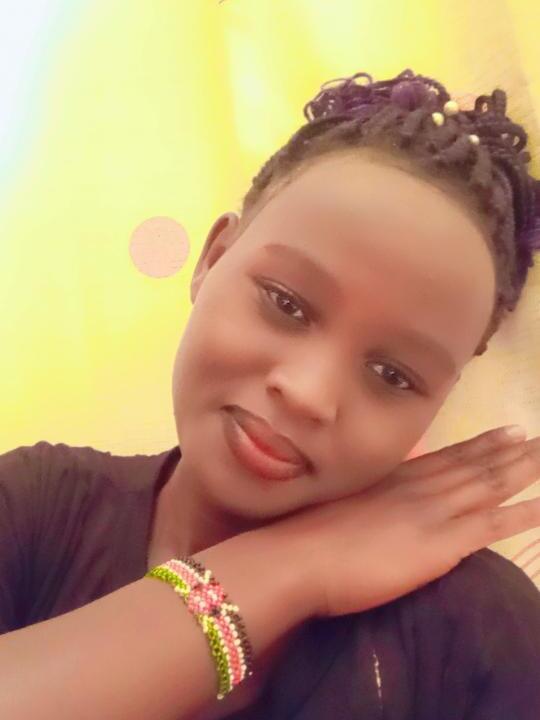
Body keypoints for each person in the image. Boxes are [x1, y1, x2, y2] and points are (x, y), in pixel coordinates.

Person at [1, 68, 540, 720]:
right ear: (213, 258)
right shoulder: (36, 508)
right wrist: (293, 565)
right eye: (286, 303)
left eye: (394, 376)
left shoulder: (482, 636)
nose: (309, 394)